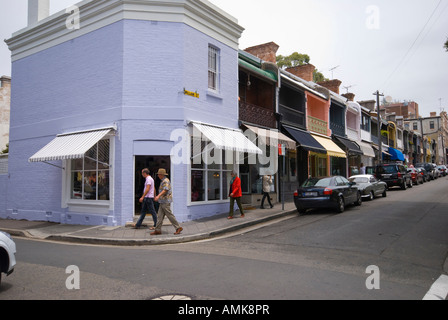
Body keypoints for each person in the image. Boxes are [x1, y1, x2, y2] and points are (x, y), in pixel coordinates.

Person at [151, 168, 183, 235]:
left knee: (169, 215)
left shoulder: (165, 181)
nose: (158, 176)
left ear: (161, 175)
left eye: (159, 174)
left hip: (165, 201)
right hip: (162, 201)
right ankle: (157, 230)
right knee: (159, 216)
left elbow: (165, 190)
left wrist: (158, 196)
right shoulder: (163, 180)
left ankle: (178, 227)